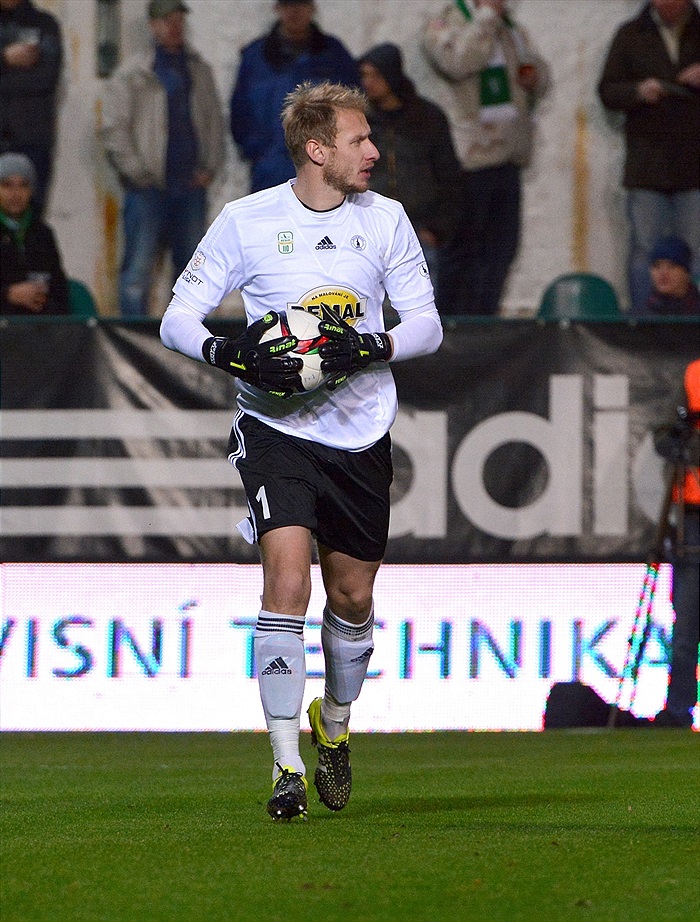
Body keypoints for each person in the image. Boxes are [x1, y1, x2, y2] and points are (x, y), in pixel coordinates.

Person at [160, 81, 443, 820]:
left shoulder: (387, 221)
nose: (374, 152)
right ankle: (286, 764)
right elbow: (177, 319)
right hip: (275, 428)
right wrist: (231, 353)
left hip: (359, 432)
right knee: (286, 585)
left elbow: (427, 327)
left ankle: (335, 728)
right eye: (359, 140)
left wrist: (369, 344)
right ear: (319, 150)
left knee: (352, 598)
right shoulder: (246, 221)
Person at [422, 0, 549, 316]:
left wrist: (536, 78)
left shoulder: (510, 28)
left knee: (501, 251)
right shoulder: (447, 22)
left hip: (508, 157)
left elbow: (535, 69)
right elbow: (458, 61)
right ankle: (452, 331)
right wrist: (487, 17)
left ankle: (485, 325)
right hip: (468, 161)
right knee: (463, 252)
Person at [101, 0, 225, 318]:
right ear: (152, 25)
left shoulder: (198, 69)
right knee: (136, 278)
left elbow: (214, 121)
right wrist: (139, 173)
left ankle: (186, 349)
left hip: (190, 189)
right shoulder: (133, 74)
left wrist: (209, 167)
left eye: (179, 19)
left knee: (192, 277)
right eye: (166, 20)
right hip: (147, 189)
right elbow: (114, 130)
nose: (174, 26)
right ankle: (131, 355)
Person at [598, 0, 700, 315]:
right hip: (647, 165)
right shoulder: (631, 34)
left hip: (695, 164)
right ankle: (644, 327)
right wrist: (639, 93)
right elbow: (607, 91)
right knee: (645, 254)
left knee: (696, 254)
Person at [359, 42, 461, 310]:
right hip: (371, 233)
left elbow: (449, 177)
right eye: (365, 75)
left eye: (375, 75)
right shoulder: (361, 121)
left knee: (417, 313)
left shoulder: (426, 118)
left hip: (418, 232)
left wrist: (437, 230)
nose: (368, 83)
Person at [230, 0, 359, 193]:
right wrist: (257, 151)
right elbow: (240, 111)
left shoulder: (334, 54)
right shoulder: (256, 56)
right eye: (288, 5)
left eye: (301, 5)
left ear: (312, 8)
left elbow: (353, 106)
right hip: (269, 170)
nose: (295, 12)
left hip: (323, 168)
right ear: (277, 9)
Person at [652, 358, 700, 728]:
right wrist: (680, 443)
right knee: (686, 622)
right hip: (693, 515)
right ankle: (678, 708)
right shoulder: (692, 374)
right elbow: (664, 435)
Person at [0, 0, 63, 214]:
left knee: (31, 226)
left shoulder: (44, 25)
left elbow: (46, 80)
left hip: (32, 143)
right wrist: (5, 59)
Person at [0, 151, 69, 316]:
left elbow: (60, 291)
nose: (16, 194)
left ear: (32, 190)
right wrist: (8, 294)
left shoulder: (43, 234)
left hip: (39, 332)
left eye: (23, 185)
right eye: (7, 185)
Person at [645, 236, 700, 316]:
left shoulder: (696, 311)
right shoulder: (640, 317)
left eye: (672, 266)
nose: (663, 273)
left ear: (686, 272)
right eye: (657, 266)